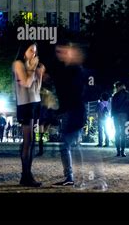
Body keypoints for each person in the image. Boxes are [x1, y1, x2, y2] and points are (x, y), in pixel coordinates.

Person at [52, 42, 87, 187]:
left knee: (66, 144)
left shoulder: (74, 70)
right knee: (70, 144)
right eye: (58, 51)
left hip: (74, 112)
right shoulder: (69, 69)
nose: (59, 54)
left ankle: (71, 177)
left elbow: (71, 92)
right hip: (72, 112)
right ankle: (74, 177)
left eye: (62, 51)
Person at [12, 42, 45, 187]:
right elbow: (25, 83)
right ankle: (26, 175)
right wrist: (32, 69)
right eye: (31, 50)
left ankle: (26, 175)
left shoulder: (32, 66)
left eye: (35, 51)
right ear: (24, 51)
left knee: (31, 141)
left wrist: (40, 74)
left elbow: (36, 88)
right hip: (25, 104)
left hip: (34, 103)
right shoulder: (18, 64)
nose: (34, 53)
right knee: (28, 140)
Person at [111, 81, 129, 157]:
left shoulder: (115, 95)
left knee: (117, 132)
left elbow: (112, 106)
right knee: (123, 133)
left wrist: (112, 115)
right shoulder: (128, 95)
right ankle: (123, 151)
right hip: (125, 115)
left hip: (116, 115)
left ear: (118, 87)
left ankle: (118, 151)